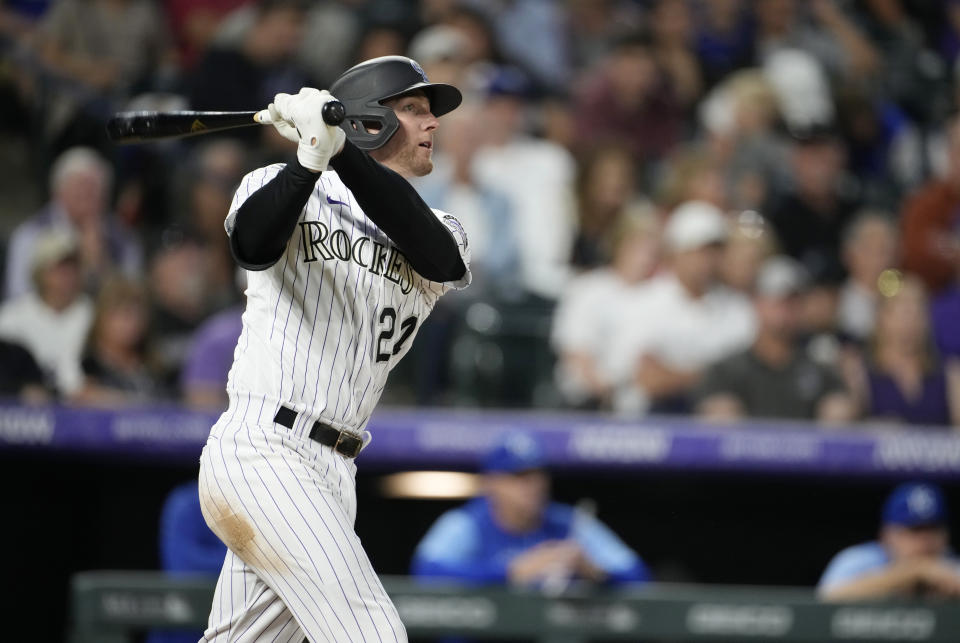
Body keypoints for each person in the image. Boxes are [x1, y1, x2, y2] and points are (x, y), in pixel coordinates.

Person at [196, 55, 470, 642]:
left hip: (333, 469)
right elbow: (253, 246)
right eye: (415, 108)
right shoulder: (277, 183)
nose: (433, 123)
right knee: (373, 635)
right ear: (372, 119)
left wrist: (337, 146)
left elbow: (436, 254)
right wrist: (309, 161)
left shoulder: (442, 224)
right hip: (265, 449)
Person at [411, 432, 650, 587]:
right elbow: (425, 572)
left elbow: (638, 576)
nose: (533, 485)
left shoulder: (568, 523)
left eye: (538, 474)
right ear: (491, 483)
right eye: (519, 476)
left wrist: (592, 571)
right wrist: (511, 572)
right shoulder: (466, 523)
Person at [617, 200, 755, 414]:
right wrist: (710, 375)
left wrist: (675, 374)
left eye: (714, 251)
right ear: (676, 252)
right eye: (698, 251)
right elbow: (647, 380)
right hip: (649, 420)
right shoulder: (644, 302)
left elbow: (744, 378)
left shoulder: (736, 308)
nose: (707, 260)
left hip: (711, 416)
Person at [695, 256, 855, 423]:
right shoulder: (726, 371)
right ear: (756, 302)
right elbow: (713, 423)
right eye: (776, 301)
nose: (784, 310)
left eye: (793, 302)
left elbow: (840, 412)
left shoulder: (820, 369)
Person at [5, 146, 142, 299]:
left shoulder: (123, 239)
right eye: (79, 186)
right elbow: (17, 295)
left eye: (93, 188)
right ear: (58, 192)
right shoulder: (29, 235)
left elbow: (130, 296)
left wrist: (100, 263)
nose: (86, 195)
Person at [844, 274, 960, 427]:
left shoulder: (949, 371)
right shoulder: (859, 371)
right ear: (881, 317)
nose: (912, 318)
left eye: (919, 309)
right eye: (903, 309)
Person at [818, 482, 960, 600]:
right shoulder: (860, 559)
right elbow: (826, 598)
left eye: (933, 529)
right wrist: (913, 572)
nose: (925, 539)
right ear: (886, 535)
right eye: (914, 530)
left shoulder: (951, 566)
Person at [0, 229, 93, 397]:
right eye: (59, 267)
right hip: (27, 413)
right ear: (40, 271)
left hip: (84, 410)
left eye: (73, 266)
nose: (67, 275)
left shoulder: (94, 314)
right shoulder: (11, 316)